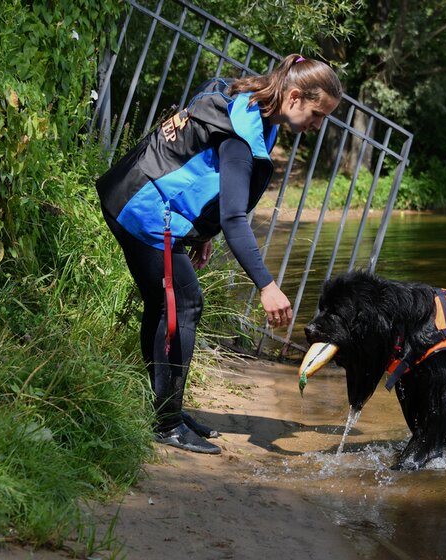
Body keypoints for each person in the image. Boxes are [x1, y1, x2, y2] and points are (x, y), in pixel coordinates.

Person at [97, 54, 342, 454]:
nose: (318, 125)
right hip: (141, 209)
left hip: (141, 196)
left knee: (167, 302)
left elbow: (199, 163)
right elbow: (234, 218)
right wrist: (267, 285)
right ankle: (167, 423)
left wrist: (199, 229)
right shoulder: (242, 136)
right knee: (184, 303)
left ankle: (162, 407)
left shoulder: (246, 101)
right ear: (294, 96)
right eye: (318, 114)